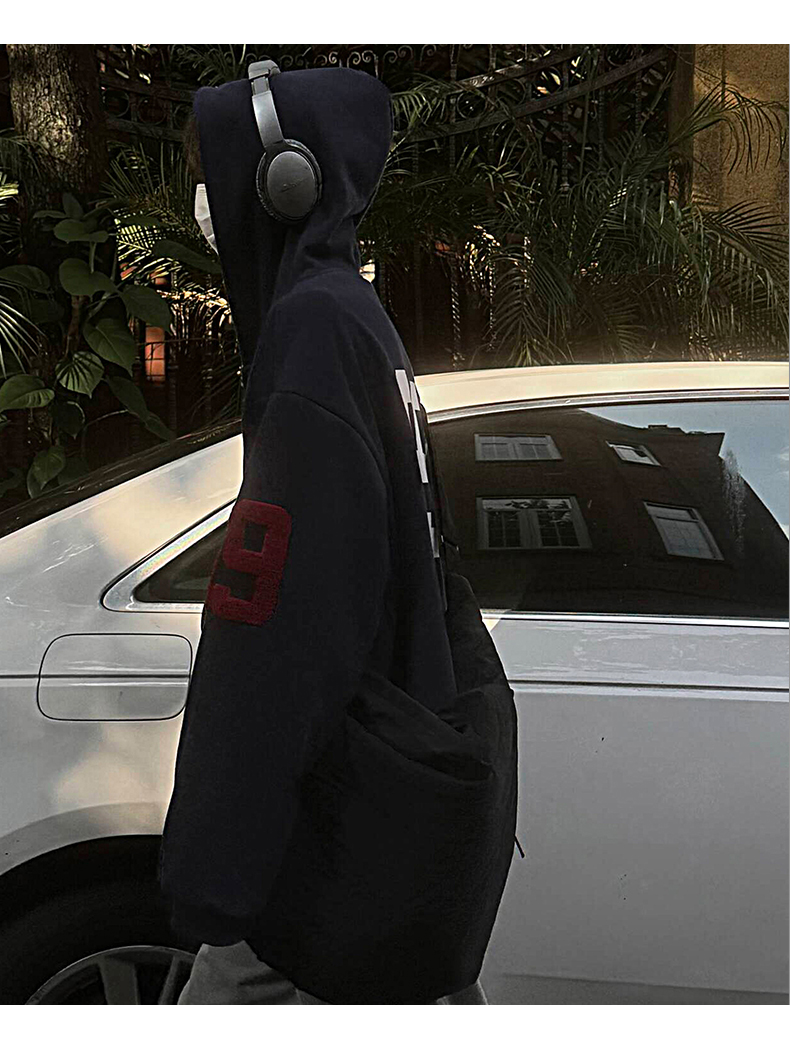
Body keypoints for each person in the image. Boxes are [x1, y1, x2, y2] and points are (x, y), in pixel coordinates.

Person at [159, 62, 489, 1006]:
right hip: (367, 802)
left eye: (215, 174)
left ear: (286, 181)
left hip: (324, 825)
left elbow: (283, 621)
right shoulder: (352, 316)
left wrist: (214, 866)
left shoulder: (310, 333)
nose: (205, 204)